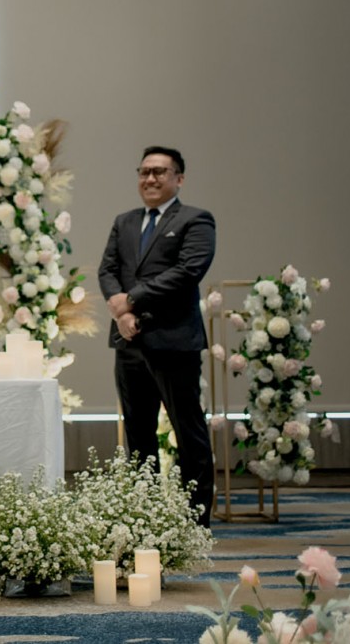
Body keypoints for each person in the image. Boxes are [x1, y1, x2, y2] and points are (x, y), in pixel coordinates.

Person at [97, 145, 216, 528]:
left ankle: (196, 521)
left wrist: (131, 301)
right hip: (129, 343)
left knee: (188, 431)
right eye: (144, 171)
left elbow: (187, 272)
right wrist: (123, 313)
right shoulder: (125, 222)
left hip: (173, 342)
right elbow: (107, 270)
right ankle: (143, 518)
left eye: (159, 172)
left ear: (179, 178)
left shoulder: (196, 220)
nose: (150, 178)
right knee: (137, 434)